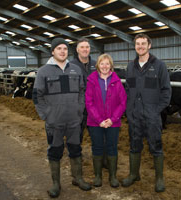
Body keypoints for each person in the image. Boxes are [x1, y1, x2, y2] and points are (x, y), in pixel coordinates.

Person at [32, 38, 91, 198]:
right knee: (55, 151)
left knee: (76, 149)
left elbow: (82, 92)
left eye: (65, 48)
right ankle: (56, 184)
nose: (62, 51)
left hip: (74, 120)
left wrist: (80, 110)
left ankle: (77, 178)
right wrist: (46, 115)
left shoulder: (76, 70)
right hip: (54, 122)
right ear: (53, 51)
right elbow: (37, 96)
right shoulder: (44, 71)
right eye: (59, 48)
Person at [122, 33, 171, 193]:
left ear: (149, 45)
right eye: (138, 44)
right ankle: (133, 174)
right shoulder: (130, 66)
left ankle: (159, 178)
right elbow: (128, 89)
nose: (140, 46)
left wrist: (156, 110)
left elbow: (166, 91)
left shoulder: (159, 66)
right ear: (135, 46)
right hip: (134, 115)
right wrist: (129, 110)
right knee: (134, 145)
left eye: (143, 43)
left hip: (152, 115)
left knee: (155, 146)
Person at [85, 54, 127, 188]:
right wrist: (99, 120)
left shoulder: (117, 81)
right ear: (98, 65)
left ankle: (112, 176)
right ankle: (98, 176)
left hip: (112, 122)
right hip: (94, 122)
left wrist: (112, 119)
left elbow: (123, 102)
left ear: (111, 66)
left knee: (112, 147)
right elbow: (89, 102)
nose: (104, 66)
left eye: (107, 64)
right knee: (97, 147)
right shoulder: (91, 80)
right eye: (102, 64)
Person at [70, 37, 97, 144]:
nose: (85, 49)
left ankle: (99, 158)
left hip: (94, 107)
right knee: (76, 136)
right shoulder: (70, 66)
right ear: (77, 49)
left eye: (87, 47)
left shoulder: (97, 64)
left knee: (97, 136)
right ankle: (76, 158)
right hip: (77, 108)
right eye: (82, 47)